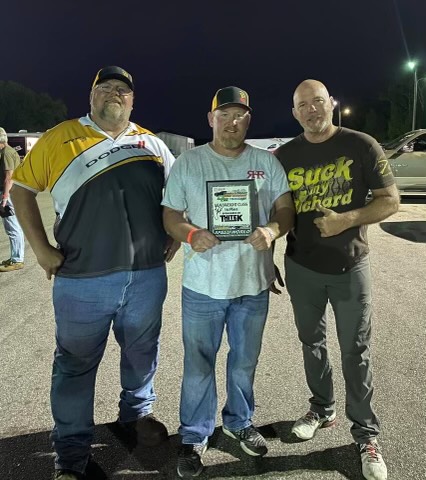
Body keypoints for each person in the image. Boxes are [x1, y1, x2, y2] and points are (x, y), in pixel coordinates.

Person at [11, 66, 179, 480]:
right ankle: (70, 453)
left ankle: (134, 416)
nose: (114, 94)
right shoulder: (59, 137)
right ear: (91, 96)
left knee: (142, 353)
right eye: (105, 88)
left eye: (122, 90)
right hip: (81, 280)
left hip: (145, 277)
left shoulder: (152, 144)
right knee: (74, 365)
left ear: (132, 100)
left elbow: (178, 198)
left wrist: (175, 238)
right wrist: (41, 249)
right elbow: (20, 190)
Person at [162, 86, 295, 478]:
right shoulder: (190, 163)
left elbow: (284, 209)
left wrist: (272, 230)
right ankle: (194, 435)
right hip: (203, 287)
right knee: (198, 364)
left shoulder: (266, 163)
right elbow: (171, 214)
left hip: (251, 286)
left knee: (244, 362)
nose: (231, 122)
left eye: (239, 116)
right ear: (211, 119)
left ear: (248, 120)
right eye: (224, 115)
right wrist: (189, 234)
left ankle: (239, 422)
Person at [274, 79, 399, 480]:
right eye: (302, 105)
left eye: (317, 101)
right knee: (312, 343)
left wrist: (347, 219)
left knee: (354, 351)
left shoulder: (361, 145)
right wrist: (264, 251)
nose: (312, 110)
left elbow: (390, 199)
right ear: (294, 113)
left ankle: (365, 434)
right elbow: (279, 213)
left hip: (350, 267)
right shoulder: (284, 156)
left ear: (332, 104)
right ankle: (321, 408)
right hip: (302, 267)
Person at [0, 127, 25, 272]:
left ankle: (17, 260)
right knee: (12, 227)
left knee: (13, 227)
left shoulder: (6, 153)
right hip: (10, 194)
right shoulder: (7, 152)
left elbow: (9, 177)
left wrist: (4, 197)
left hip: (9, 195)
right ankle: (16, 258)